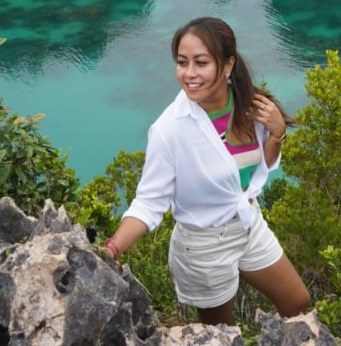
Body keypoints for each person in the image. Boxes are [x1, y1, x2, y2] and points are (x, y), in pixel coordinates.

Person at [101, 16, 310, 324]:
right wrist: (113, 247)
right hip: (203, 247)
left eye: (201, 62)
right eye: (182, 62)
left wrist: (277, 132)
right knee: (219, 334)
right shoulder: (169, 129)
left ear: (227, 66)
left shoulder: (251, 106)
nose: (189, 74)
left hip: (249, 223)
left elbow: (261, 166)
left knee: (297, 303)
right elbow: (149, 202)